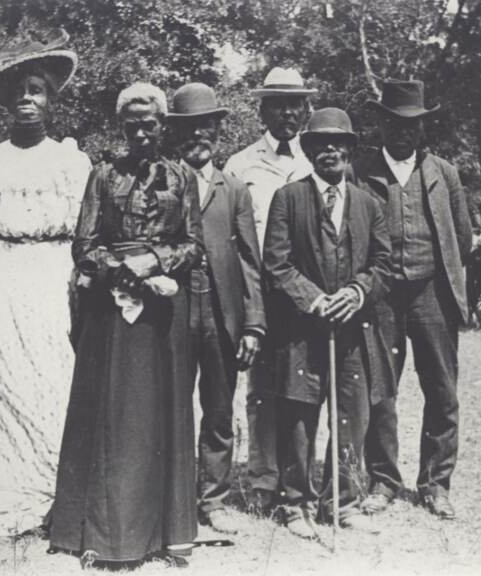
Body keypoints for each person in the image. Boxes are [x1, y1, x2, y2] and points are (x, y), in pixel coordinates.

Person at [49, 82, 204, 569]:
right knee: (112, 418)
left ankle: (163, 535)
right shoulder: (102, 176)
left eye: (150, 123)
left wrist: (155, 261)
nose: (141, 131)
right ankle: (105, 536)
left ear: (163, 126)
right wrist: (124, 272)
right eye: (132, 123)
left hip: (162, 315)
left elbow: (194, 244)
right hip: (110, 315)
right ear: (122, 126)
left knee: (160, 416)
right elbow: (84, 244)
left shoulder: (182, 178)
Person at [0, 34, 92, 538]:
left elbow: (84, 238)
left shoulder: (71, 161)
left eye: (37, 90)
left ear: (52, 99)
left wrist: (82, 289)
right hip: (5, 282)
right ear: (7, 103)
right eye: (19, 92)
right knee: (8, 388)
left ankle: (58, 496)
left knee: (54, 386)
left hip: (55, 282)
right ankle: (13, 499)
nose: (27, 99)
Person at [262, 107, 393, 538]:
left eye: (339, 143)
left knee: (351, 416)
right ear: (309, 149)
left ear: (351, 150)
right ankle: (294, 502)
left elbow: (383, 264)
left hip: (353, 330)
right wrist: (315, 300)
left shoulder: (369, 203)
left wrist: (356, 292)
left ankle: (343, 501)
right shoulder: (290, 198)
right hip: (302, 329)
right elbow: (276, 265)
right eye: (320, 143)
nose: (330, 150)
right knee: (300, 414)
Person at [351, 79, 473, 520]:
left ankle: (436, 484)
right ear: (381, 124)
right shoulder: (359, 172)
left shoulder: (444, 173)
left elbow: (463, 237)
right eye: (396, 123)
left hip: (432, 294)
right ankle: (382, 480)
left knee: (441, 390)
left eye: (413, 125)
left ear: (422, 128)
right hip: (380, 297)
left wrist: (440, 279)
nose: (404, 132)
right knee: (380, 391)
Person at [167, 83, 266, 534]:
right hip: (173, 311)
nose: (198, 137)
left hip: (223, 312)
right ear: (177, 134)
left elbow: (250, 260)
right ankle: (172, 496)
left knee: (219, 410)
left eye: (206, 127)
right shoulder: (162, 181)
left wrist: (253, 325)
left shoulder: (235, 189)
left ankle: (214, 498)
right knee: (171, 405)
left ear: (218, 132)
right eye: (189, 129)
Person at [223, 67, 315, 513]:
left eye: (295, 103)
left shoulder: (317, 160)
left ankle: (300, 479)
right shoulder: (240, 165)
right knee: (260, 388)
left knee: (300, 389)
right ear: (262, 108)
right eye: (277, 103)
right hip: (258, 293)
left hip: (304, 295)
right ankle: (262, 481)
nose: (287, 112)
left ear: (305, 109)